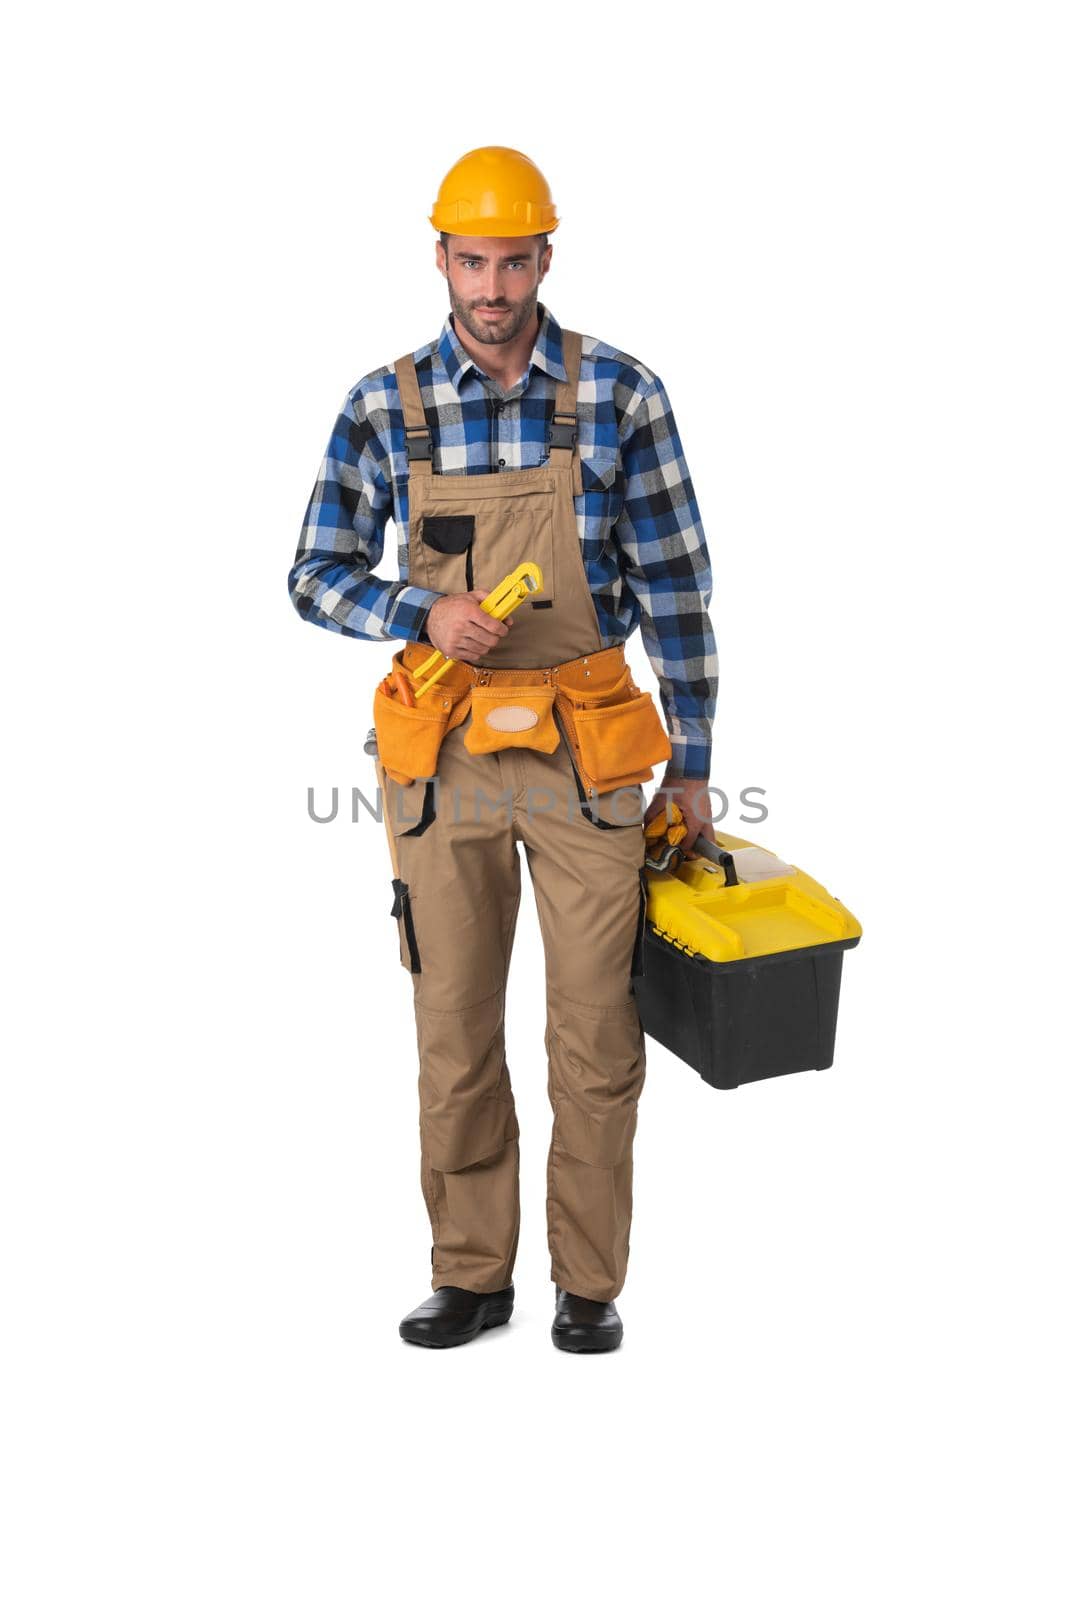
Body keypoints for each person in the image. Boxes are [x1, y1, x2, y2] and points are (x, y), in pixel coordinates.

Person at [289, 146, 718, 1353]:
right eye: (470, 259)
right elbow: (313, 575)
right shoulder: (386, 405)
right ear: (440, 258)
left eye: (512, 259)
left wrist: (689, 760)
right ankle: (471, 1274)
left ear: (545, 256)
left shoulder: (619, 395)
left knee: (595, 1032)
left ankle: (587, 1283)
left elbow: (677, 585)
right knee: (454, 1024)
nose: (490, 284)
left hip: (587, 753)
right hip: (446, 766)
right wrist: (418, 611)